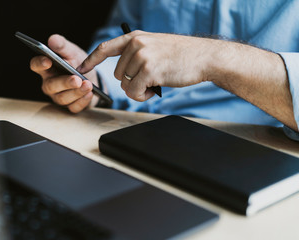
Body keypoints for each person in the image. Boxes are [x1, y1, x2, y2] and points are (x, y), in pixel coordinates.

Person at [30, 0, 299, 139]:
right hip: (128, 130)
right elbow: (125, 34)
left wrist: (212, 56)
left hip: (255, 149)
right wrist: (95, 81)